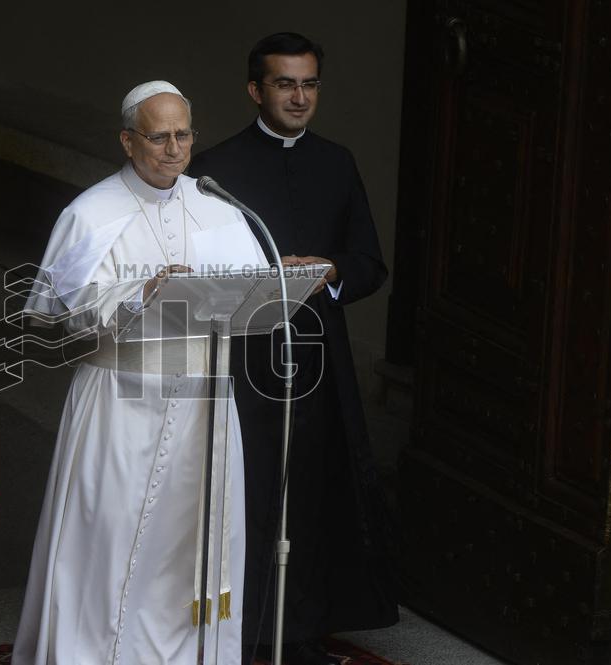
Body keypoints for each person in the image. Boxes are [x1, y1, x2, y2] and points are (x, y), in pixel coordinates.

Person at [12, 81, 268, 665]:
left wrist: (280, 278)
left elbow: (252, 299)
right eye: (159, 136)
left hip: (204, 401)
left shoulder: (218, 208)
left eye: (184, 135)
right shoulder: (90, 212)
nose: (175, 148)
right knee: (106, 537)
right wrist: (139, 291)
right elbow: (54, 315)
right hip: (119, 398)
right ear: (128, 141)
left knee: (192, 545)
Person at [189, 32, 398, 665]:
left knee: (309, 489)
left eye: (309, 84)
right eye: (285, 84)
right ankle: (238, 631)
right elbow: (193, 269)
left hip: (318, 357)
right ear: (257, 90)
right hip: (246, 355)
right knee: (246, 487)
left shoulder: (337, 162)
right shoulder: (216, 170)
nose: (300, 97)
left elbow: (370, 262)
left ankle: (300, 629)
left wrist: (331, 271)